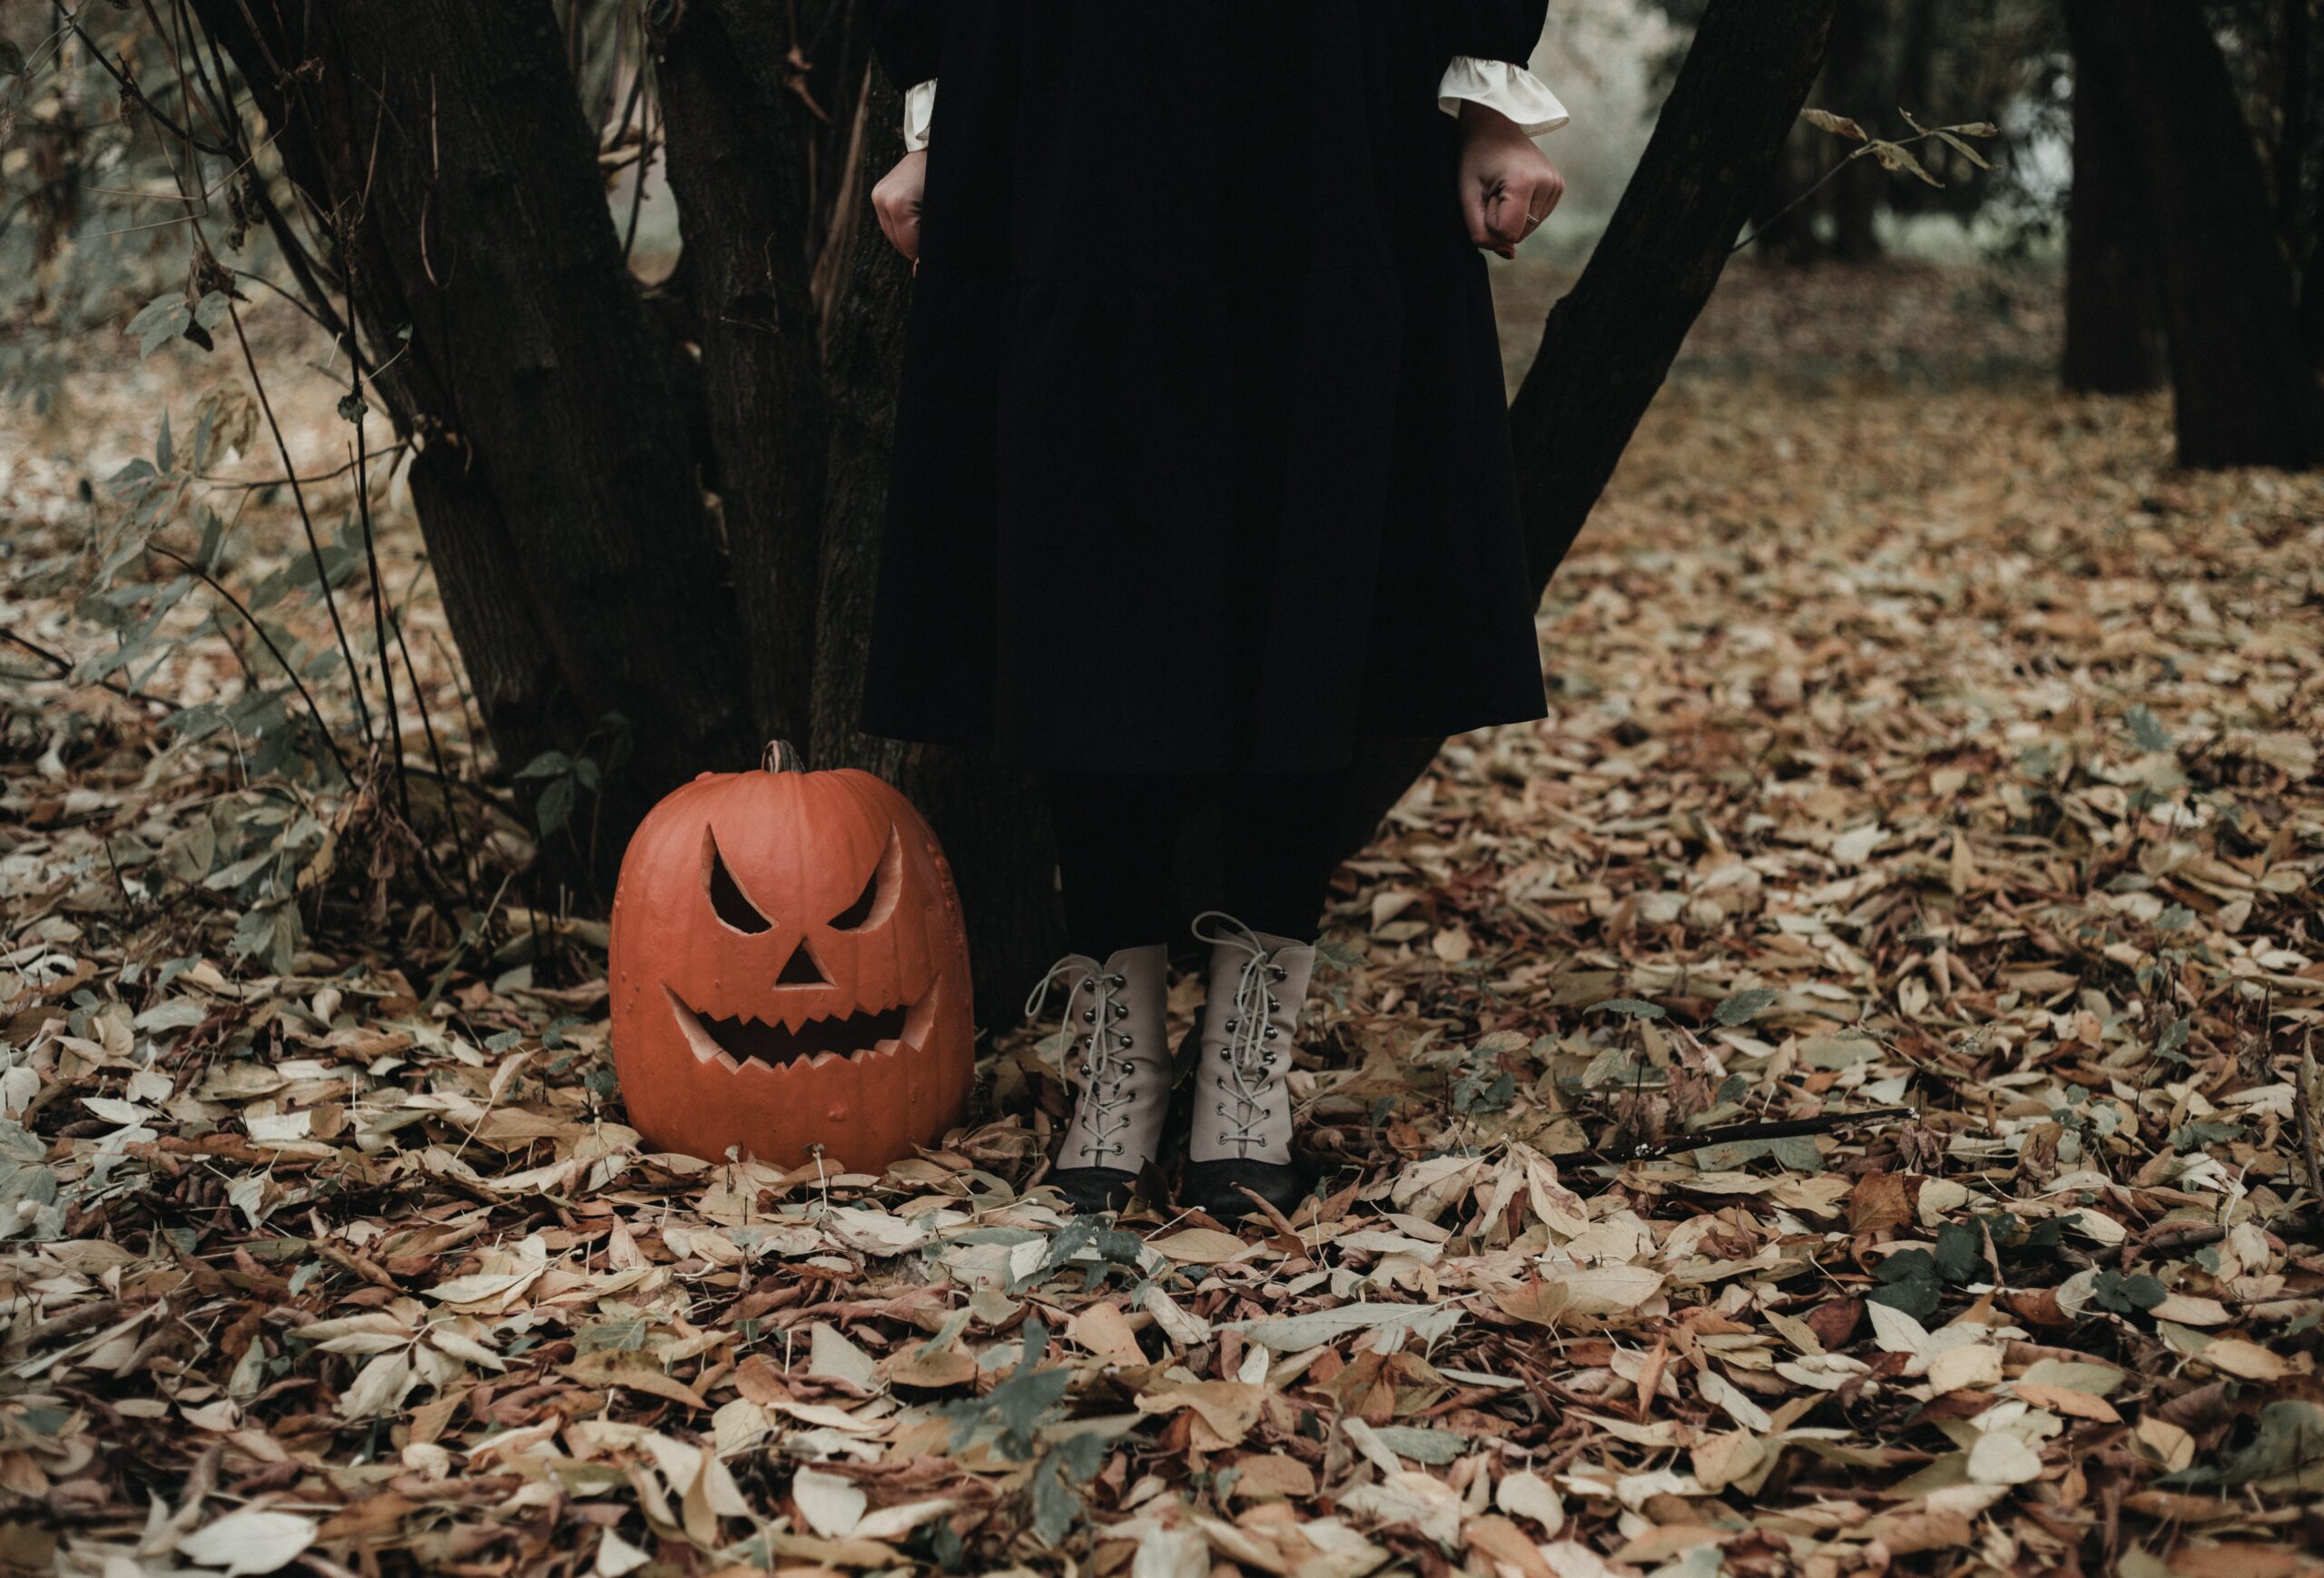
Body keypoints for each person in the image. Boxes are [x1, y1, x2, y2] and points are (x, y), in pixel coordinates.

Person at [863, 2, 1567, 1218]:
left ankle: (1251, 1053)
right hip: (1064, 99)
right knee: (1082, 560)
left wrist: (1494, 99)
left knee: (1307, 551)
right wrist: (938, 110)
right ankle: (1123, 1054)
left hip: (1328, 99)